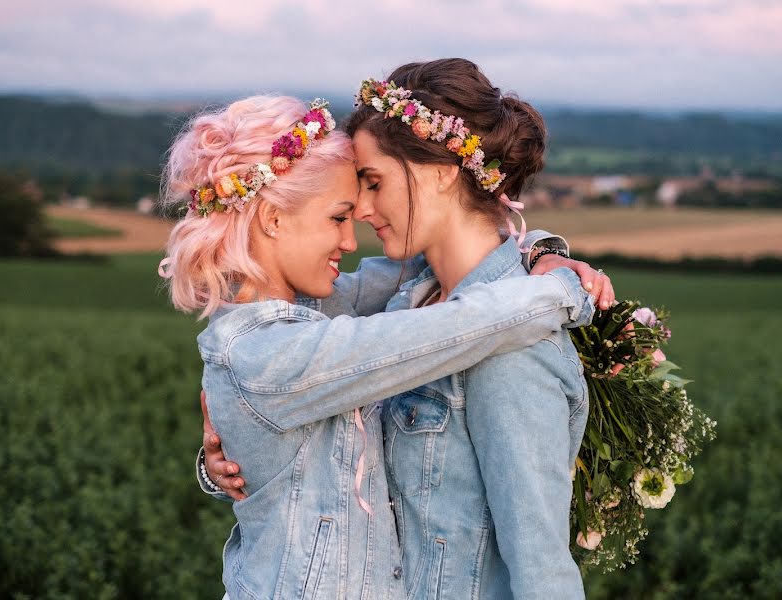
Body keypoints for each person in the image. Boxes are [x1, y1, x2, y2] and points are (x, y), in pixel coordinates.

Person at [160, 93, 603, 600]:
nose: (354, 235)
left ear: (442, 172)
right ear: (273, 219)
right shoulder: (268, 353)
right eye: (339, 216)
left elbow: (434, 259)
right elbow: (456, 327)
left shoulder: (323, 310)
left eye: (374, 185)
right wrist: (565, 291)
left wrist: (541, 251)